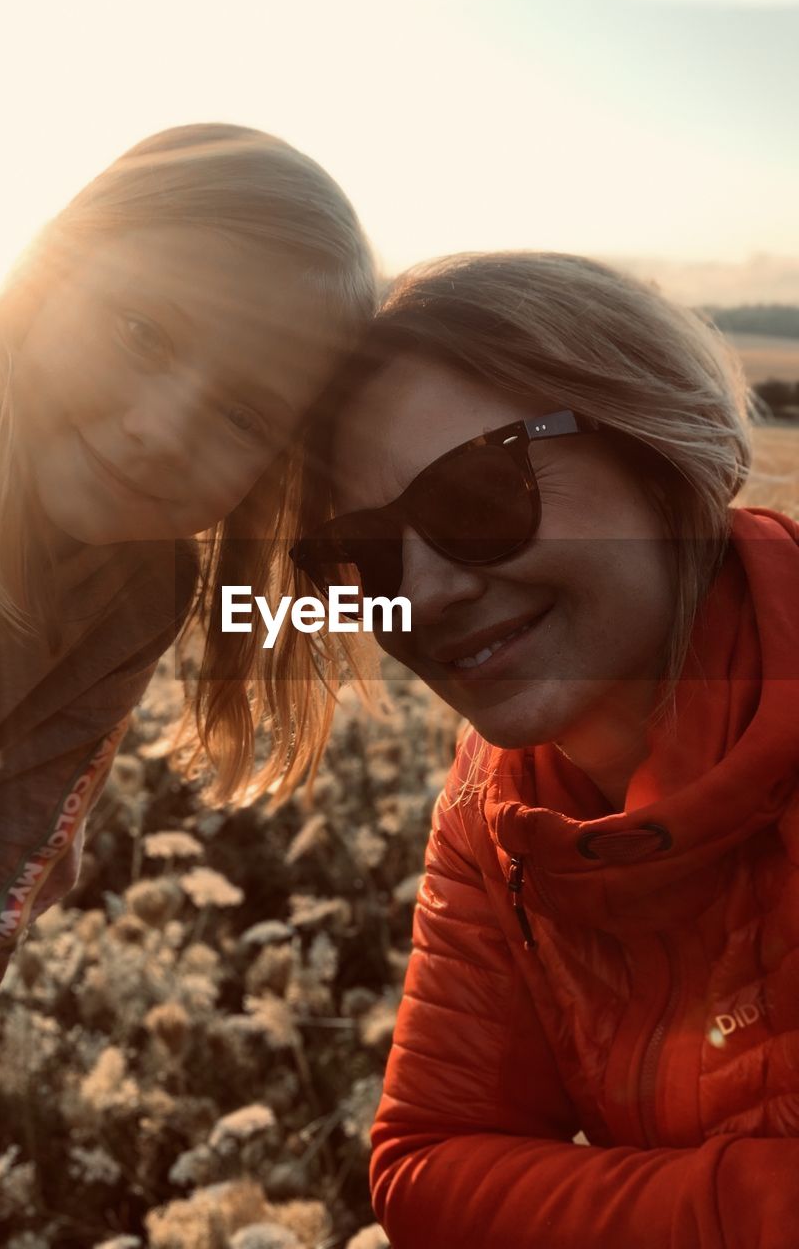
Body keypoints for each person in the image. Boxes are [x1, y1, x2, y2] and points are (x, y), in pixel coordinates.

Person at [0, 123, 375, 1244]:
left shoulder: (135, 591)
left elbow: (13, 841)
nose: (156, 428)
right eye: (141, 330)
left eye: (241, 415)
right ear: (46, 271)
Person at [290, 251, 799, 1248]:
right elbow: (424, 1160)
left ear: (659, 449)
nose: (425, 593)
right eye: (369, 554)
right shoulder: (498, 804)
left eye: (479, 495)